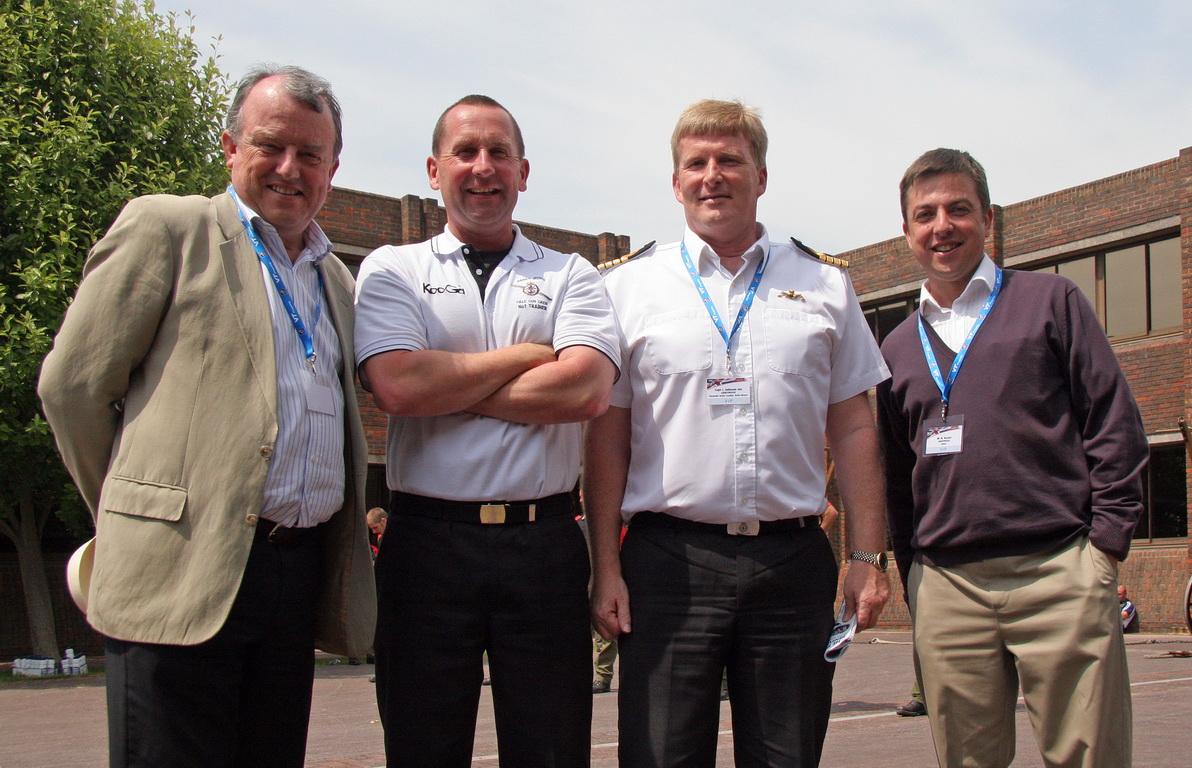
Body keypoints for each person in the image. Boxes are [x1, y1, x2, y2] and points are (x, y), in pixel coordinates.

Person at [37, 65, 375, 768]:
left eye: (310, 154)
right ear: (230, 147)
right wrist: (139, 513)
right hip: (179, 568)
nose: (289, 169)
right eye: (270, 146)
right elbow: (73, 389)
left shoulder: (336, 280)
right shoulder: (170, 228)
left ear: (332, 169)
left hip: (293, 577)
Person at [585, 98, 891, 768]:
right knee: (660, 756)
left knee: (787, 756)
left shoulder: (824, 283)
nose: (712, 176)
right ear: (676, 183)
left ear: (762, 176)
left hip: (791, 564)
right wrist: (605, 566)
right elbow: (607, 439)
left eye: (730, 160)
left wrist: (868, 557)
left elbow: (854, 428)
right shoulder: (627, 288)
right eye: (696, 163)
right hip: (667, 563)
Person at [354, 94, 620, 767]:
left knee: (551, 750)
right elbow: (397, 387)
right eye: (465, 151)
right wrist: (529, 357)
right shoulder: (392, 268)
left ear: (522, 172)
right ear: (434, 170)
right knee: (421, 749)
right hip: (424, 547)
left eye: (499, 152)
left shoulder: (571, 274)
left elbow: (586, 391)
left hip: (543, 545)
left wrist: (445, 385)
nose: (482, 167)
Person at [876, 148, 1148, 768]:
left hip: (1059, 570)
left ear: (989, 218)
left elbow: (1114, 424)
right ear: (907, 231)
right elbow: (898, 478)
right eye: (925, 214)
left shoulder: (1051, 300)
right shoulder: (896, 347)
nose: (942, 226)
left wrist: (1105, 547)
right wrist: (916, 576)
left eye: (958, 209)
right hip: (949, 586)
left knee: (1090, 756)